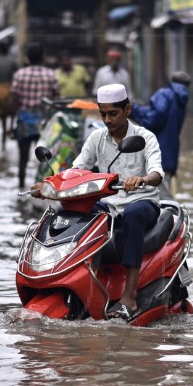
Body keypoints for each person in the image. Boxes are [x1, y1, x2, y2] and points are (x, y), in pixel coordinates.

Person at [67, 83, 163, 321]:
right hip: (109, 203)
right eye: (103, 114)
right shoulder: (97, 138)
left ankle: (129, 296)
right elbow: (78, 168)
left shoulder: (145, 137)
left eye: (113, 114)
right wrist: (49, 185)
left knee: (133, 214)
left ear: (127, 109)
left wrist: (141, 179)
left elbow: (157, 174)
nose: (107, 120)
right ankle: (78, 286)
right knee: (72, 214)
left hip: (142, 201)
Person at [131, 71, 190, 199]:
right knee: (163, 186)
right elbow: (157, 113)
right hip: (170, 150)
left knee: (161, 194)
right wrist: (136, 110)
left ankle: (174, 214)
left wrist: (140, 121)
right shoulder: (180, 98)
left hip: (158, 149)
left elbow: (154, 118)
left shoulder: (164, 94)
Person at [10, 42, 59, 188]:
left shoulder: (20, 75)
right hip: (44, 123)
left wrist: (10, 124)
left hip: (24, 120)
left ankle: (21, 187)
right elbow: (56, 98)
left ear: (27, 58)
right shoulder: (51, 75)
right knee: (45, 159)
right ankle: (44, 188)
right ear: (43, 57)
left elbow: (14, 101)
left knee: (23, 158)